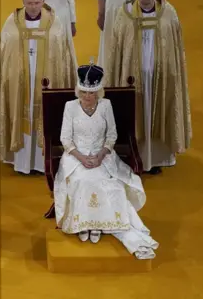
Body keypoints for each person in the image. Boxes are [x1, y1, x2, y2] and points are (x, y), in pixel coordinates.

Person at [54, 61, 159, 258]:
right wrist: (82, 158)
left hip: (103, 156)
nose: (87, 97)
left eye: (91, 93)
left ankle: (99, 224)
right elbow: (65, 139)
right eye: (84, 92)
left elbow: (112, 136)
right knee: (81, 180)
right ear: (79, 91)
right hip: (75, 156)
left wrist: (101, 155)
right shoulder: (70, 107)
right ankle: (83, 223)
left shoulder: (106, 106)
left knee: (110, 184)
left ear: (98, 92)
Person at [0, 0, 76, 174]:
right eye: (29, 3)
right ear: (23, 0)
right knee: (22, 112)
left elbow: (63, 56)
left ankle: (42, 162)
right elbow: (4, 54)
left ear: (43, 1)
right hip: (20, 83)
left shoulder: (54, 23)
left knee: (44, 114)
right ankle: (22, 163)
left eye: (37, 3)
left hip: (47, 80)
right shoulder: (12, 22)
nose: (33, 7)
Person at [106, 0, 191, 174]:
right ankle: (133, 156)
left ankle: (157, 158)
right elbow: (116, 49)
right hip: (132, 77)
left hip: (160, 76)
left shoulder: (168, 14)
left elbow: (175, 47)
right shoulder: (125, 14)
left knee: (157, 112)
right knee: (134, 113)